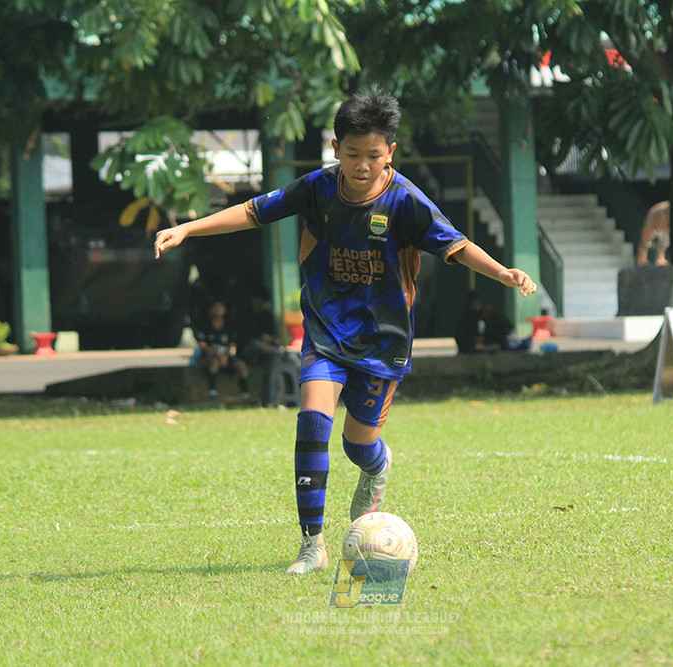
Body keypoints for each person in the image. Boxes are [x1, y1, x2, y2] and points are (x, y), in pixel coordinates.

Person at [154, 87, 536, 575]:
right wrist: (188, 228)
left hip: (383, 341)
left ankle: (377, 465)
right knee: (313, 421)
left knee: (358, 445)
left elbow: (456, 246)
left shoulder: (405, 200)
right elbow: (253, 211)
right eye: (352, 154)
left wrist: (503, 272)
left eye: (373, 155)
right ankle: (311, 546)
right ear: (335, 148)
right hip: (326, 331)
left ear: (390, 152)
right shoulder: (317, 188)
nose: (362, 165)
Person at [192, 297, 249, 399]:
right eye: (215, 307)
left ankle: (245, 393)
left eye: (220, 307)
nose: (218, 310)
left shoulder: (229, 326)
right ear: (210, 310)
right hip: (211, 356)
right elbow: (203, 345)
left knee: (241, 366)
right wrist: (218, 356)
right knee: (214, 363)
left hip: (226, 356)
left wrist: (226, 356)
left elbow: (232, 344)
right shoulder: (205, 326)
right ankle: (212, 392)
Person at [455, 289, 517, 354]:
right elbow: (461, 336)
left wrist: (488, 341)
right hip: (472, 350)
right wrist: (473, 345)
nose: (477, 307)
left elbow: (506, 328)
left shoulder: (491, 314)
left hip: (492, 347)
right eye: (474, 304)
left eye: (478, 303)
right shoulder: (466, 318)